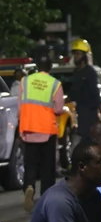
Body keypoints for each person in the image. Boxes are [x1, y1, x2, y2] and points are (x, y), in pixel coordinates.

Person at [19, 57, 63, 213]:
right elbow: (59, 109)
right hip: (46, 130)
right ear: (50, 67)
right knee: (47, 167)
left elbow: (20, 106)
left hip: (28, 128)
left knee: (30, 164)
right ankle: (46, 196)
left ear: (37, 67)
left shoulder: (25, 81)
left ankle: (29, 185)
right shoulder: (55, 84)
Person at [70, 39, 101, 142]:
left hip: (89, 115)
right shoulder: (76, 72)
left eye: (78, 54)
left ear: (84, 56)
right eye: (75, 54)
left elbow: (95, 94)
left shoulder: (90, 72)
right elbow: (73, 93)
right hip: (80, 113)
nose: (76, 56)